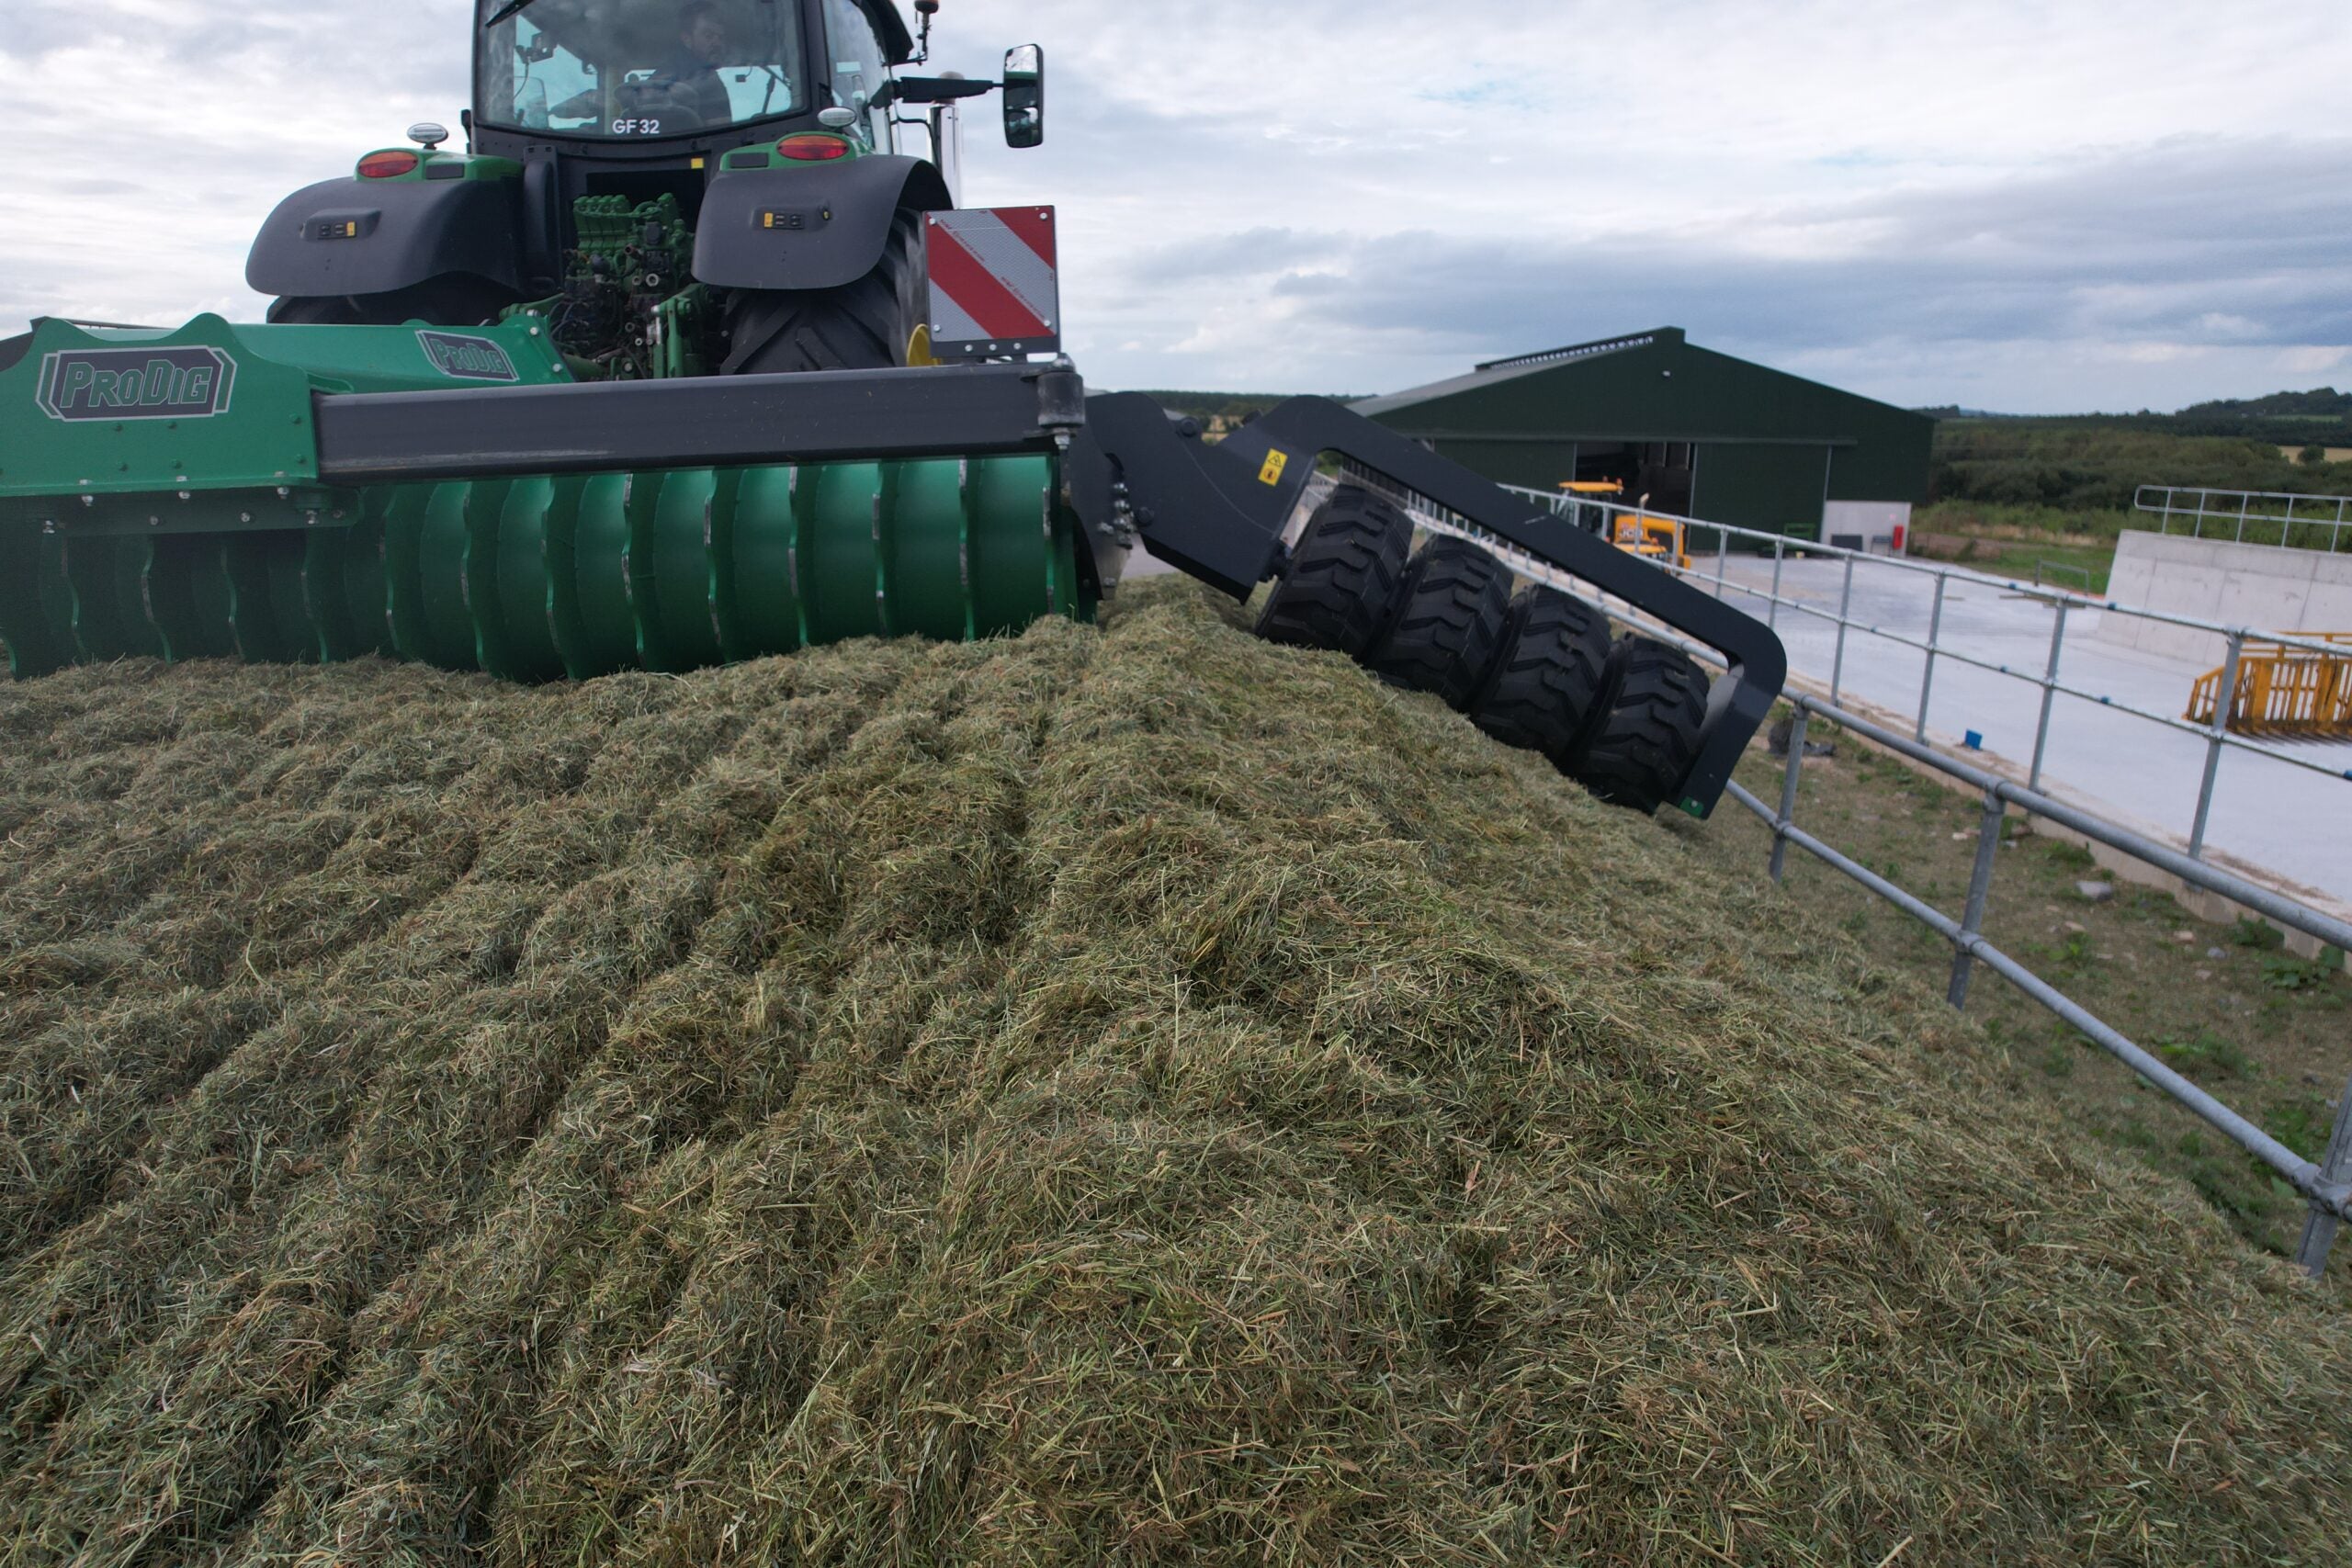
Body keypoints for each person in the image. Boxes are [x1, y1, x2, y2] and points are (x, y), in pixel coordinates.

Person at [639, 2, 734, 129]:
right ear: (687, 39)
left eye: (720, 37)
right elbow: (720, 133)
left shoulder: (710, 77)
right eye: (708, 36)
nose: (717, 43)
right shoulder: (668, 77)